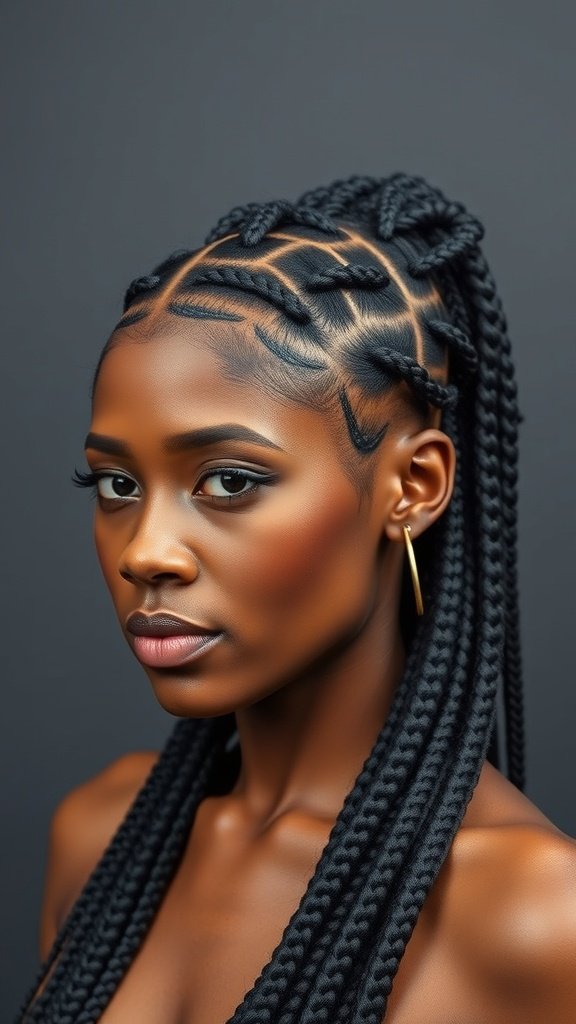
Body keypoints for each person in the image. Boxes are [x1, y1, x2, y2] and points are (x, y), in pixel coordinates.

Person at [19, 174, 576, 1023]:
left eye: (229, 480)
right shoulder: (100, 839)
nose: (146, 553)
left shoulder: (535, 920)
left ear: (413, 486)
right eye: (116, 483)